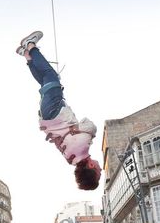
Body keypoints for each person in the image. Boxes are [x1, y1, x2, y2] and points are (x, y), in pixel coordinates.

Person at [15, 30, 102, 191]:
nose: (101, 168)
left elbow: (89, 125)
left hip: (55, 109)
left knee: (51, 75)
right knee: (44, 82)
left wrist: (90, 133)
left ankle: (30, 45)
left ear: (91, 166)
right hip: (47, 117)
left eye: (98, 171)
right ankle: (27, 55)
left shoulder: (83, 147)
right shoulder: (70, 159)